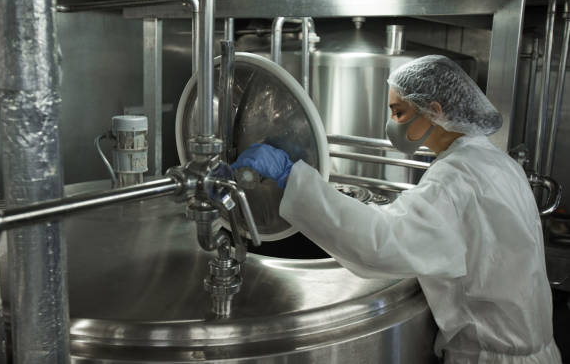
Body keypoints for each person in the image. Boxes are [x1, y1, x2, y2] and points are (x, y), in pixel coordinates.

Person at [231, 55, 561, 364]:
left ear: (434, 109)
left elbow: (379, 243)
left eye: (399, 113)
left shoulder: (455, 180)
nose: (392, 124)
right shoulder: (494, 161)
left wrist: (291, 176)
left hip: (492, 356)